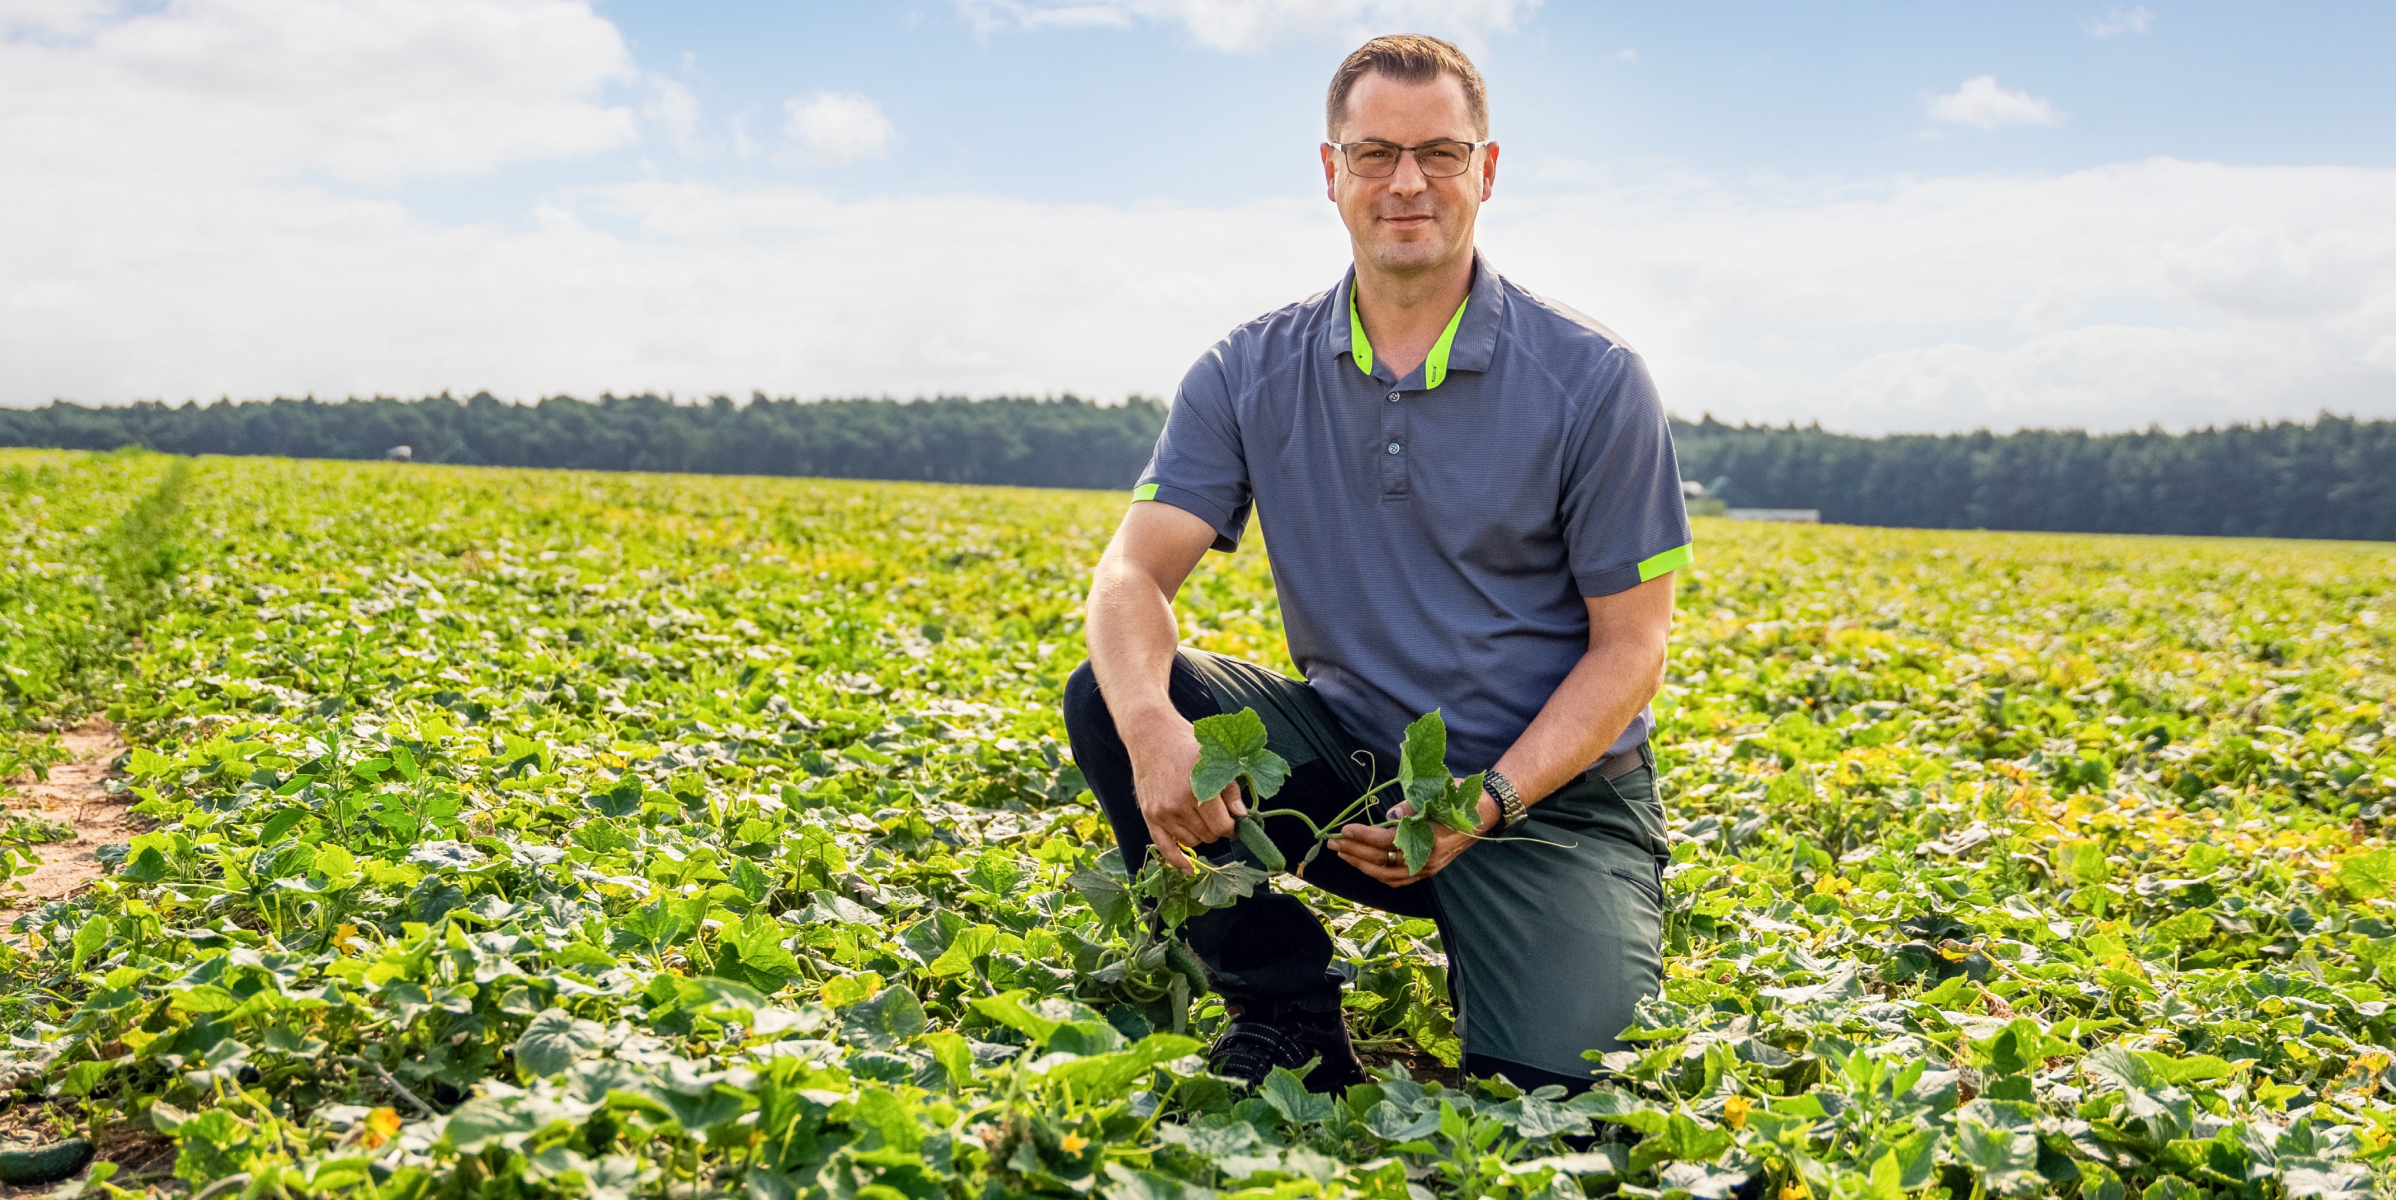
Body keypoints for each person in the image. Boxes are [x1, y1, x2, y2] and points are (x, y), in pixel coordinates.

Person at [1062, 33, 1689, 1096]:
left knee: (1557, 1104)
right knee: (1118, 690)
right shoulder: (1247, 369)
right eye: (1375, 154)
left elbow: (1633, 648)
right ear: (1331, 170)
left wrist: (1486, 803)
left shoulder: (1594, 378)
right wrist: (1152, 727)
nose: (1407, 183)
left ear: (1486, 170)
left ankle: (1528, 957)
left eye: (1440, 153)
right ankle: (1283, 1010)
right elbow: (1132, 575)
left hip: (1550, 805)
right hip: (1357, 778)